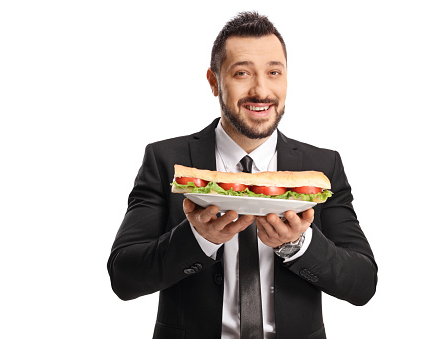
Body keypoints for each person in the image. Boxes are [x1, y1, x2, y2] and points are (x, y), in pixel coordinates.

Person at [108, 11, 377, 339]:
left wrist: (299, 243)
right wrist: (199, 239)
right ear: (213, 81)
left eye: (274, 72)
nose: (261, 90)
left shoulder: (323, 166)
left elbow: (363, 283)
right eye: (242, 73)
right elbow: (123, 276)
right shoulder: (165, 160)